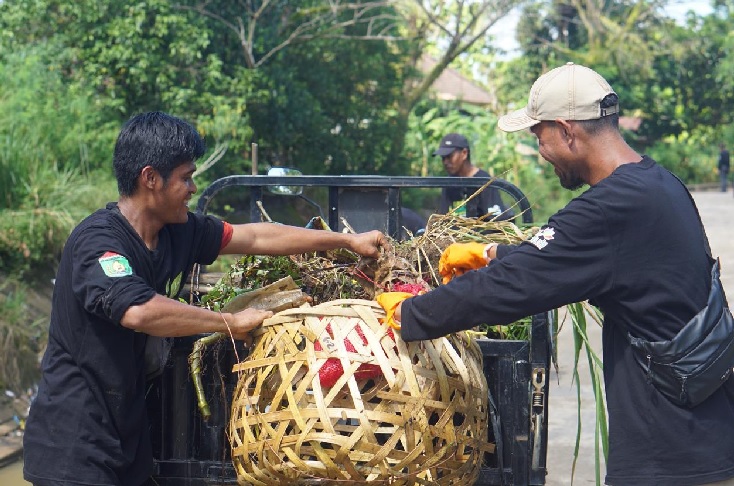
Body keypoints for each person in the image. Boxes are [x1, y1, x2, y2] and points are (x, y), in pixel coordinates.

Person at [378, 63, 734, 485]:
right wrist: (492, 251)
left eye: (538, 135)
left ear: (567, 131)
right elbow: (572, 260)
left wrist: (412, 313)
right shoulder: (657, 183)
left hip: (670, 454)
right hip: (707, 429)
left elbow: (510, 288)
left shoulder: (607, 209)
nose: (540, 149)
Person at [22, 111, 388, 486]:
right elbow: (138, 310)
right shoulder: (99, 243)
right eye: (186, 177)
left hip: (127, 439)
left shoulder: (178, 231)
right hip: (74, 446)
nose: (194, 188)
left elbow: (259, 238)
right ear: (150, 178)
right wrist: (228, 322)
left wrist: (347, 241)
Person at [433, 133, 513, 220]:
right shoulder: (449, 183)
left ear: (464, 153)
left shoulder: (484, 182)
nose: (445, 162)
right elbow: (443, 216)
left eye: (449, 156)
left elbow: (497, 221)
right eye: (443, 158)